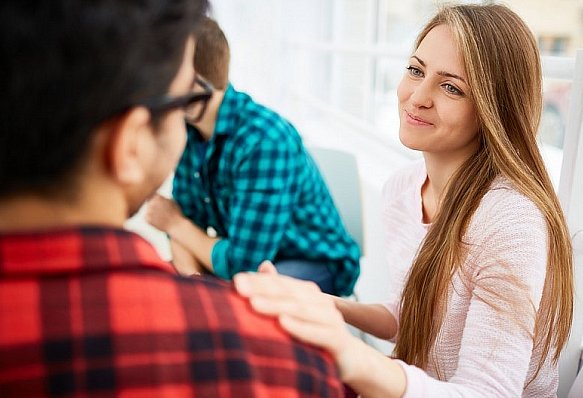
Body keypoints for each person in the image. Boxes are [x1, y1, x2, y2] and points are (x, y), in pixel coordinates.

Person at [0, 2, 345, 397]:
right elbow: (189, 225)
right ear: (131, 144)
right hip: (236, 256)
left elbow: (223, 249)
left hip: (303, 259)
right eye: (178, 102)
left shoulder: (265, 139)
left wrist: (180, 234)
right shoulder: (290, 369)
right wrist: (190, 274)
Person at [232, 4, 574, 397]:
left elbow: (490, 393)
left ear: (493, 109)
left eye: (451, 87)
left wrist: (352, 355)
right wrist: (321, 304)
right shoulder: (403, 189)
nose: (417, 97)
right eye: (415, 70)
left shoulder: (511, 221)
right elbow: (404, 316)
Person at [144, 18, 360, 297]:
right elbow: (187, 224)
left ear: (195, 82)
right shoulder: (187, 129)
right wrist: (194, 286)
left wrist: (175, 223)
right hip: (247, 256)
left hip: (312, 262)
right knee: (175, 294)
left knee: (244, 304)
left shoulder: (264, 141)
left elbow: (242, 264)